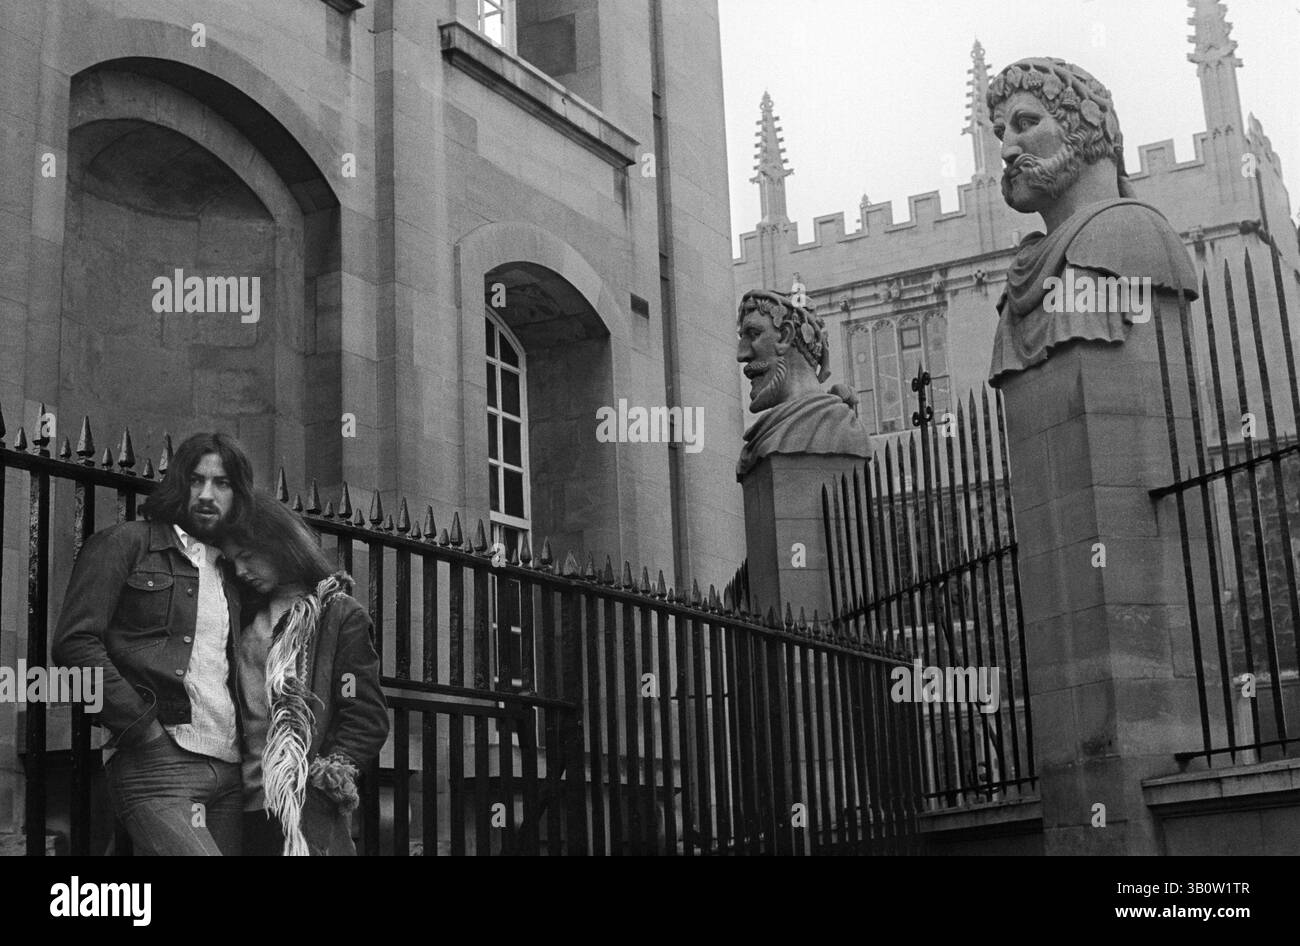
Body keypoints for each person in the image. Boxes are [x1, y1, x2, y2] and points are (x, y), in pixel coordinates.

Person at [52, 432, 254, 856]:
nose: (206, 494)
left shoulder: (233, 572)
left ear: (238, 494)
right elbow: (75, 645)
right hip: (158, 764)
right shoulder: (125, 543)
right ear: (179, 485)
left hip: (229, 769)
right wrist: (141, 730)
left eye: (221, 483)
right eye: (196, 481)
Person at [985, 57, 1198, 385]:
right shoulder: (1024, 273)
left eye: (1026, 123)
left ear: (1081, 129)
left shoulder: (1132, 234)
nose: (1007, 151)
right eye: (1002, 134)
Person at [221, 491, 389, 856]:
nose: (240, 571)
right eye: (232, 561)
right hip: (239, 801)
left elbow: (366, 716)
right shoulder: (240, 615)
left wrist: (324, 780)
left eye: (247, 557)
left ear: (279, 545)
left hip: (299, 805)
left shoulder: (339, 615)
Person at [735, 288, 872, 479]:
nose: (742, 355)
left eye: (754, 334)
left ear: (785, 336)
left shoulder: (836, 428)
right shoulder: (762, 440)